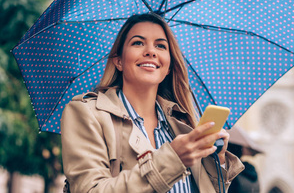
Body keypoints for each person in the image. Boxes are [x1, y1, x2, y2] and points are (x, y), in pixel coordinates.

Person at [61, 13, 244, 193]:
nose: (151, 51)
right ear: (119, 61)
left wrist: (216, 161)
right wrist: (172, 159)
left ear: (168, 67)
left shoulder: (184, 127)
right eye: (138, 42)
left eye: (160, 45)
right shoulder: (87, 113)